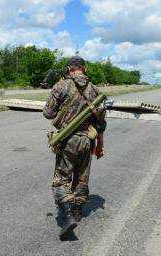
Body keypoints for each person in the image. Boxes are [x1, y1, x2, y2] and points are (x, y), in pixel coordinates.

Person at [43, 56, 107, 239]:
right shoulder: (95, 90)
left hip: (67, 139)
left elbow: (48, 113)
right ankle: (78, 210)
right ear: (84, 69)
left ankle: (67, 215)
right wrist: (100, 145)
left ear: (69, 69)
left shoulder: (61, 86)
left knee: (61, 179)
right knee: (82, 176)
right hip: (88, 140)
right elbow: (101, 123)